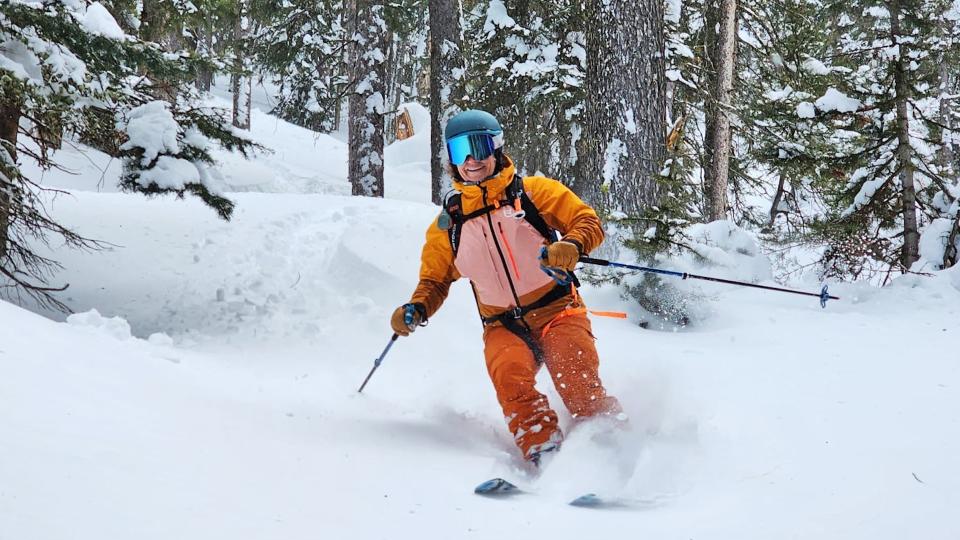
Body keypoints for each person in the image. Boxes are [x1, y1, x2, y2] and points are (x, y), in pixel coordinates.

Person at [390, 109, 622, 464]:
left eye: (478, 147)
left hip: (557, 309)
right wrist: (417, 307)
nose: (471, 160)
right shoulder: (449, 222)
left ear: (496, 148)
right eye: (458, 152)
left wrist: (572, 245)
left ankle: (611, 442)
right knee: (509, 379)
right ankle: (545, 452)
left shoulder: (533, 193)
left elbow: (586, 221)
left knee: (574, 377)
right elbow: (435, 279)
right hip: (503, 324)